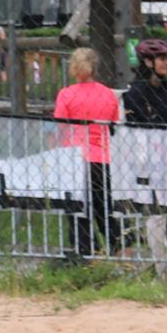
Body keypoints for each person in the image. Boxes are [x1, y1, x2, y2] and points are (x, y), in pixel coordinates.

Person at [122, 37, 167, 272]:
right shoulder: (136, 92)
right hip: (150, 162)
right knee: (157, 209)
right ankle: (163, 265)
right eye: (163, 58)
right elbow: (142, 131)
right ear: (149, 61)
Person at [53, 47, 120, 259]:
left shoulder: (66, 95)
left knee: (77, 208)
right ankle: (118, 248)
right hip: (102, 157)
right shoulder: (109, 95)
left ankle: (85, 252)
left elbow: (61, 126)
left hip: (73, 158)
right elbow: (113, 124)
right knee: (104, 207)